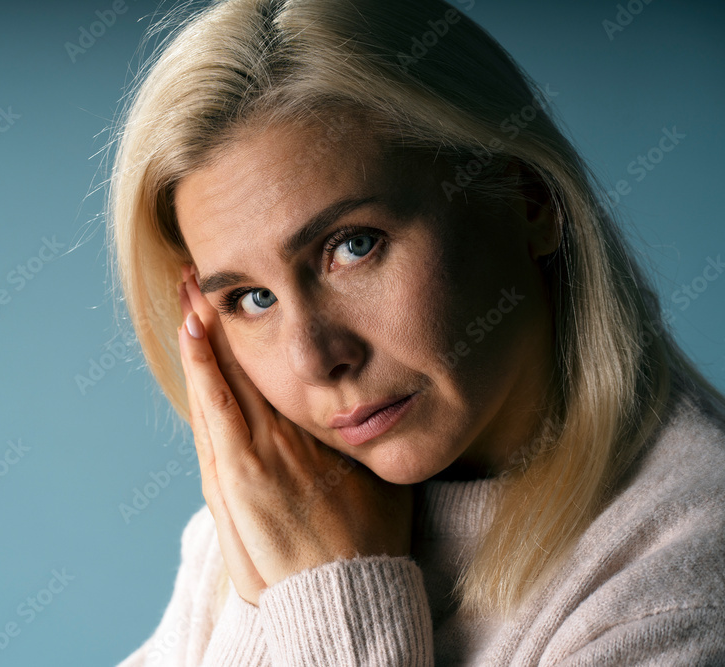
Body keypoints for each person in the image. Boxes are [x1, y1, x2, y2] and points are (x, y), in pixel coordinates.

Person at [107, 0, 725, 664]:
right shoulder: (260, 522)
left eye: (353, 247)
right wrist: (267, 597)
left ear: (530, 198)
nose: (315, 358)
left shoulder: (683, 580)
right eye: (250, 298)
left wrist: (331, 602)